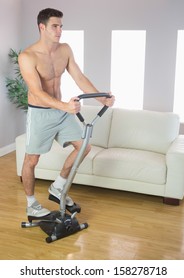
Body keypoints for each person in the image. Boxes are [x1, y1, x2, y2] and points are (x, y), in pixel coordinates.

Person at [18, 8, 115, 218]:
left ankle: (58, 186)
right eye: (55, 26)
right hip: (40, 113)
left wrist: (101, 98)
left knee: (84, 147)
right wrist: (64, 106)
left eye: (61, 26)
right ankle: (31, 204)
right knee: (31, 160)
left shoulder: (65, 50)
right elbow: (36, 91)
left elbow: (79, 77)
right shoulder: (27, 56)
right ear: (41, 27)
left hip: (61, 112)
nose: (59, 30)